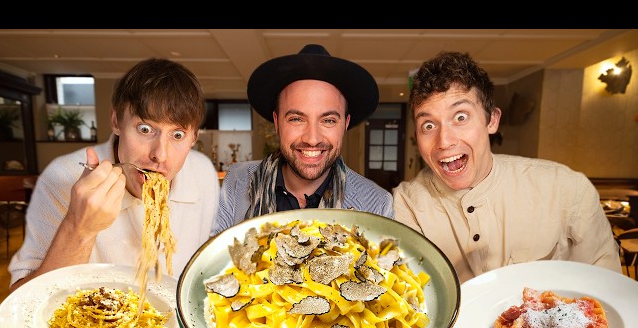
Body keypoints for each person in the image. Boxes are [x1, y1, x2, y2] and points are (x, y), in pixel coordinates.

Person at [393, 51, 621, 284]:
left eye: (460, 117)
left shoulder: (567, 188)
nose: (444, 141)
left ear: (491, 120)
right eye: (428, 125)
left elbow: (605, 287)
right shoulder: (407, 204)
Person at [9, 58, 219, 291]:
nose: (159, 155)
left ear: (194, 139)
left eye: (177, 135)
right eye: (145, 129)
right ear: (116, 121)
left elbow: (207, 263)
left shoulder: (203, 174)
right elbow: (20, 301)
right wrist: (79, 228)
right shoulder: (63, 178)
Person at [211, 44, 393, 235]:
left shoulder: (378, 204)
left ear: (345, 124)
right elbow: (211, 260)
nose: (312, 139)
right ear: (277, 122)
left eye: (328, 120)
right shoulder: (236, 181)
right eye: (297, 119)